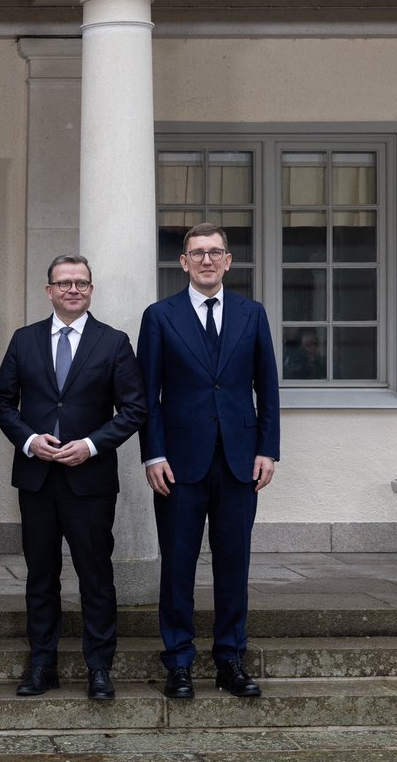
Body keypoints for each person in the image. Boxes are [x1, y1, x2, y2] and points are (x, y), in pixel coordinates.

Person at [0, 254, 146, 700]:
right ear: (49, 291)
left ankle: (99, 667)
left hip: (90, 480)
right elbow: (2, 402)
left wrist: (92, 445)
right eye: (64, 283)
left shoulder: (113, 343)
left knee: (95, 576)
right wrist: (28, 440)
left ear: (91, 290)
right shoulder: (24, 340)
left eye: (81, 283)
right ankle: (42, 664)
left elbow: (134, 408)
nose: (73, 289)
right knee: (41, 577)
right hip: (37, 477)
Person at [138, 222, 280, 699]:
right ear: (183, 262)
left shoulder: (251, 314)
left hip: (240, 462)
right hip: (178, 464)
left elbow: (267, 388)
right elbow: (147, 395)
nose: (206, 260)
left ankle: (230, 660)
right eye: (197, 253)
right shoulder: (159, 316)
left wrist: (268, 449)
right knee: (177, 564)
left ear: (228, 261)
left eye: (215, 252)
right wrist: (153, 454)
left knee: (234, 563)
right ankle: (178, 662)